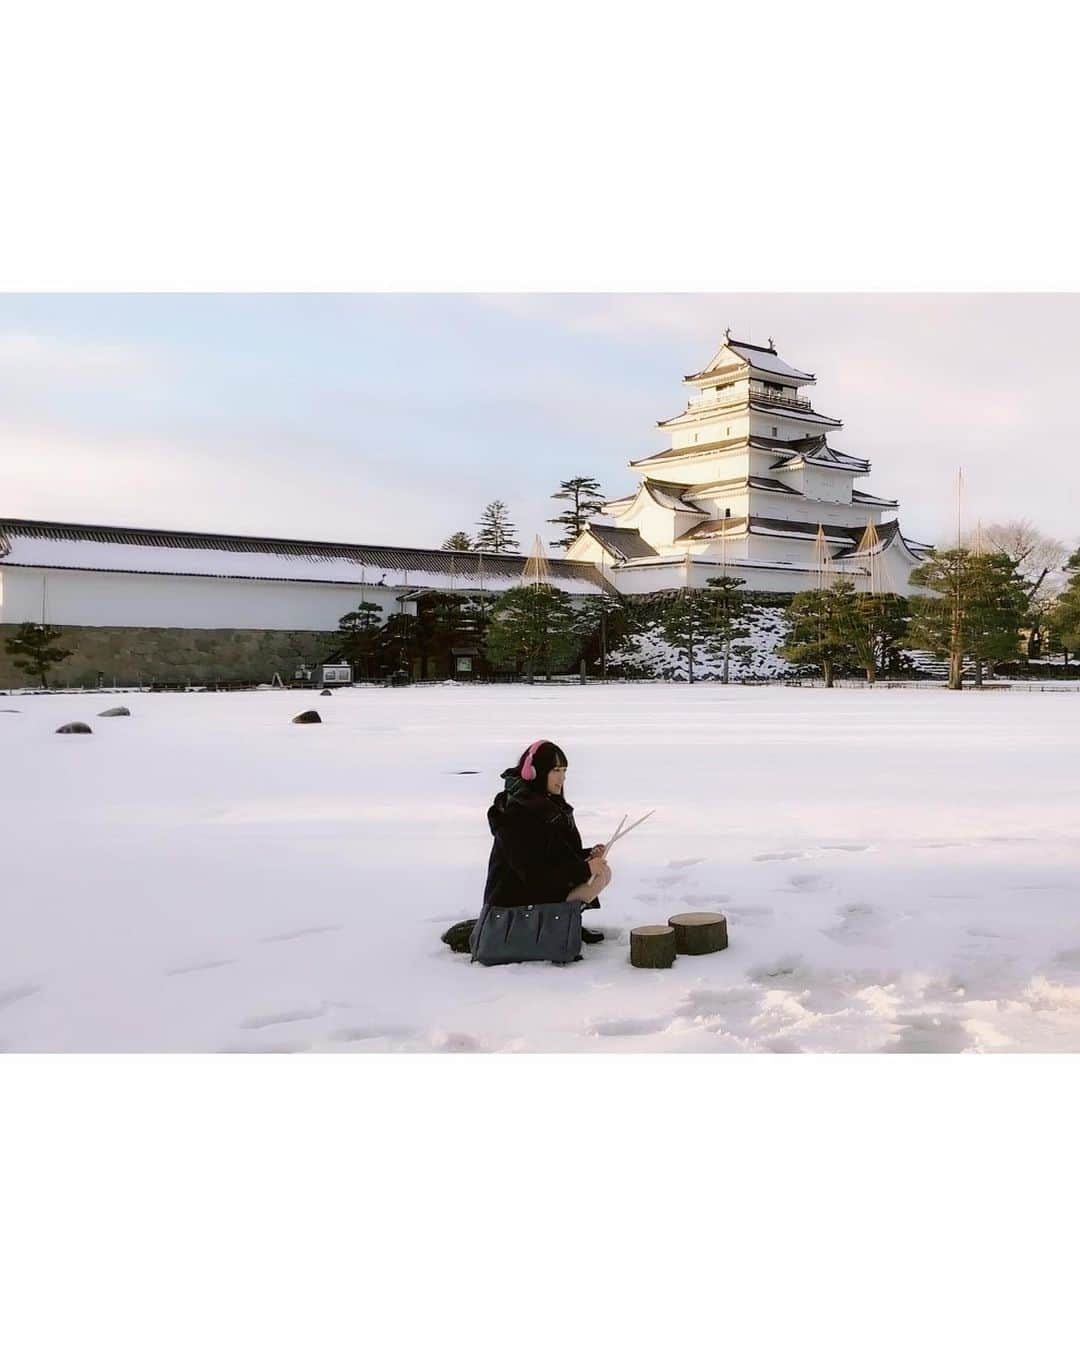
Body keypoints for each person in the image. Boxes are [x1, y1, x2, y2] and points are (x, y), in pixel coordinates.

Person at [483, 739, 611, 945]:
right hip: (513, 906)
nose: (562, 778)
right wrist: (584, 868)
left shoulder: (547, 805)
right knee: (594, 877)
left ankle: (566, 924)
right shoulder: (517, 814)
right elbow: (534, 874)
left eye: (564, 770)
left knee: (602, 873)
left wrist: (588, 856)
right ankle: (552, 930)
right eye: (555, 770)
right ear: (533, 772)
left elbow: (556, 854)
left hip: (537, 890)